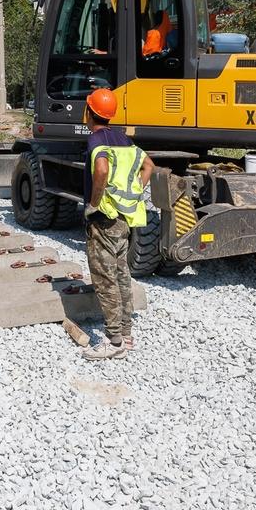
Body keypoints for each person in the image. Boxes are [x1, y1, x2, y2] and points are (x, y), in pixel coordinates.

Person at [81, 87, 154, 361]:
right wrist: (134, 193)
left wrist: (95, 202)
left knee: (105, 278)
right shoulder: (123, 139)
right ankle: (126, 334)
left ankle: (113, 342)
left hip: (104, 219)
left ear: (89, 111)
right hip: (123, 218)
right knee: (122, 273)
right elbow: (149, 165)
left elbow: (101, 169)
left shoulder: (96, 140)